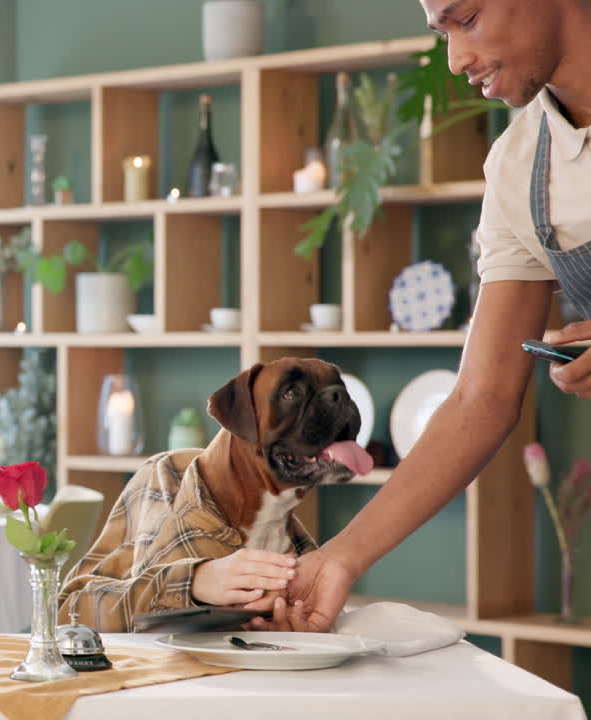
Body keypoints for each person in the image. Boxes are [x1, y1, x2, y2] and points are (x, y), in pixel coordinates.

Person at [251, 0, 591, 632]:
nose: (456, 60)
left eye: (466, 19)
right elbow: (481, 397)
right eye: (442, 33)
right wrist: (340, 558)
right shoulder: (520, 169)